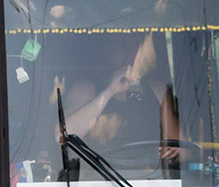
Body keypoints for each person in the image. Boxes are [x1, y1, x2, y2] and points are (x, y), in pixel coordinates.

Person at [55, 31, 183, 163]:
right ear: (107, 51)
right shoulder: (87, 89)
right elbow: (62, 136)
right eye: (122, 46)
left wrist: (169, 152)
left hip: (149, 179)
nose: (130, 54)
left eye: (135, 47)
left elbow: (184, 150)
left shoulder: (157, 90)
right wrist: (109, 92)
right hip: (96, 179)